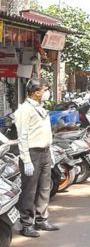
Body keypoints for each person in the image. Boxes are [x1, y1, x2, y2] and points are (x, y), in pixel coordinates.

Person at [15, 79, 57, 238]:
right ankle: (26, 224)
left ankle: (41, 219)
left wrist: (50, 151)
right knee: (29, 190)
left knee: (44, 188)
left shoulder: (40, 108)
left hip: (44, 152)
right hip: (32, 153)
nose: (47, 92)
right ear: (36, 92)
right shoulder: (24, 110)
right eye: (45, 89)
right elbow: (22, 136)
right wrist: (26, 159)